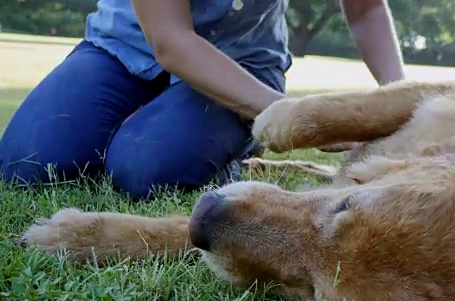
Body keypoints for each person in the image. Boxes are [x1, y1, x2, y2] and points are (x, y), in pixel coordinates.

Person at [0, 0, 405, 200]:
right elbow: (170, 39)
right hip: (126, 44)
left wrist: (399, 103)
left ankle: (228, 142)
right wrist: (297, 117)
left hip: (244, 61)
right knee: (27, 162)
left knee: (145, 169)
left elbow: (366, 10)